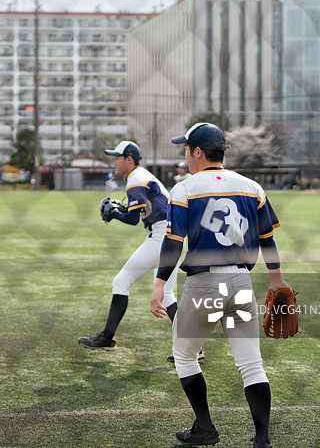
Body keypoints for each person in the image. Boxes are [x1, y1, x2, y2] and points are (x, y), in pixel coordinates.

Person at [150, 123, 290, 448]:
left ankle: (205, 428)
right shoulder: (251, 187)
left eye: (185, 149)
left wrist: (159, 285)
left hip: (204, 285)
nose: (184, 155)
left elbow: (173, 242)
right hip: (241, 281)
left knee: (184, 356)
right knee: (251, 364)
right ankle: (263, 440)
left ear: (197, 152)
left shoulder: (184, 188)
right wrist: (277, 279)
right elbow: (268, 240)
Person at [78, 140, 182, 353]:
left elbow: (133, 219)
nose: (114, 161)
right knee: (168, 295)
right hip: (173, 237)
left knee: (121, 282)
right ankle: (192, 347)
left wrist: (115, 213)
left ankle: (107, 337)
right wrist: (124, 208)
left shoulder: (136, 179)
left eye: (117, 157)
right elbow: (146, 208)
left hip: (161, 237)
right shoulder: (142, 176)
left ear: (129, 159)